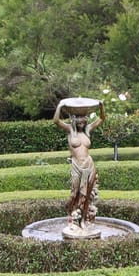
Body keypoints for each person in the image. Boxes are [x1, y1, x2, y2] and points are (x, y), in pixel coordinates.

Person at [53, 99, 101, 232]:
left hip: (89, 165)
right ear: (74, 120)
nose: (81, 122)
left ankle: (84, 220)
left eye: (83, 120)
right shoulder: (70, 130)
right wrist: (60, 106)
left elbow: (102, 119)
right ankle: (72, 216)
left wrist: (101, 105)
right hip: (76, 165)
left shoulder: (88, 130)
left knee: (87, 195)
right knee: (75, 193)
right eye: (79, 120)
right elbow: (56, 121)